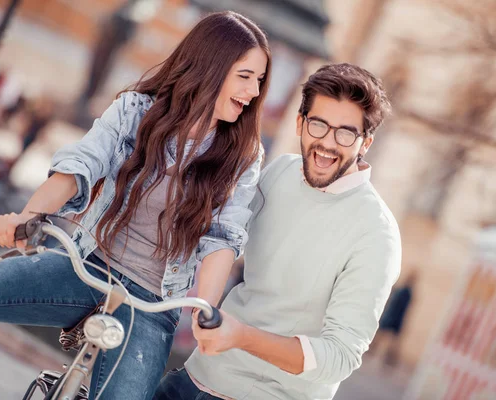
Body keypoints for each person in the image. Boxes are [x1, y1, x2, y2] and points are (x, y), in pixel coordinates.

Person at [0, 11, 271, 400]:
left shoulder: (243, 156)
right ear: (211, 67)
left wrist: (205, 311)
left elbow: (222, 238)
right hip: (83, 267)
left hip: (152, 305)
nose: (254, 92)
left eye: (260, 80)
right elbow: (80, 167)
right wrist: (26, 218)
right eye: (245, 77)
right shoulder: (135, 111)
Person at [154, 63, 401, 400]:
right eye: (318, 125)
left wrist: (242, 336)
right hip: (197, 376)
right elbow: (218, 233)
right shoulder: (281, 171)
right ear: (300, 123)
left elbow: (340, 357)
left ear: (365, 143)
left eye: (345, 132)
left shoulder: (376, 233)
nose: (327, 143)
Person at [369, 269, 417, 366]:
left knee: (389, 339)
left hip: (395, 317)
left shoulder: (406, 292)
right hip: (393, 316)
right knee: (382, 336)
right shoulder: (404, 290)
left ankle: (390, 357)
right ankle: (376, 351)